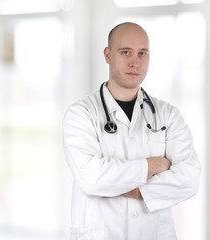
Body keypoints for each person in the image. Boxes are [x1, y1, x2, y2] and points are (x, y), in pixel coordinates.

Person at [62, 22, 201, 240]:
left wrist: (127, 188)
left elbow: (190, 179)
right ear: (108, 55)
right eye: (125, 52)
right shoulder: (81, 114)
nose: (135, 62)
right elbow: (91, 178)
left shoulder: (168, 115)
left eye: (142, 53)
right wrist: (152, 166)